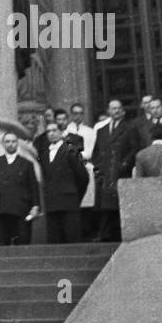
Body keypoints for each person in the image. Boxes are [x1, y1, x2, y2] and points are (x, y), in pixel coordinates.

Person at [92, 99, 137, 242]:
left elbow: (134, 149)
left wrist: (124, 164)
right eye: (113, 108)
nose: (116, 111)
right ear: (108, 111)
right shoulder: (101, 130)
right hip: (105, 173)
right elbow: (96, 152)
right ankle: (104, 234)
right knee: (104, 205)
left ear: (123, 111)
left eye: (118, 108)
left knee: (119, 204)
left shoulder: (130, 128)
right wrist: (98, 168)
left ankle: (119, 235)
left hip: (120, 171)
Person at [0, 132, 40, 245]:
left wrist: (35, 206)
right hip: (0, 209)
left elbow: (33, 187)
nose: (11, 144)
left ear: (17, 144)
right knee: (1, 244)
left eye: (13, 141)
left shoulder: (27, 164)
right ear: (3, 144)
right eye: (7, 141)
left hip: (22, 209)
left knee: (23, 244)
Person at [40, 123, 88, 244]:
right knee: (55, 240)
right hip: (52, 202)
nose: (51, 133)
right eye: (48, 131)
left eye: (54, 130)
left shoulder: (71, 150)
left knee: (72, 238)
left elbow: (83, 176)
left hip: (69, 201)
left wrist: (75, 195)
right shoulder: (44, 154)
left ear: (61, 133)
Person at [66, 102, 97, 239]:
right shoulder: (66, 131)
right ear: (71, 114)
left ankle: (87, 231)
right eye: (75, 113)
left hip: (85, 166)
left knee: (87, 201)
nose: (78, 116)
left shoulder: (90, 131)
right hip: (69, 170)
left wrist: (79, 155)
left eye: (80, 113)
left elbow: (91, 151)